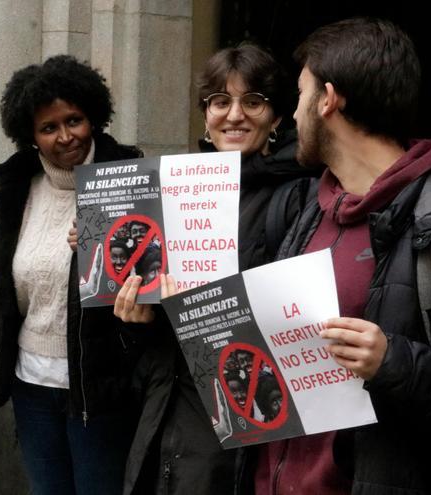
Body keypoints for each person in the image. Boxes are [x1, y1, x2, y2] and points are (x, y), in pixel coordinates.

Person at [246, 18, 431, 494]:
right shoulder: (310, 209)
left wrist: (391, 362)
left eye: (299, 95)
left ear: (329, 99)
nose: (292, 116)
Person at [0, 55, 144, 495]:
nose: (65, 136)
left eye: (75, 120)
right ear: (30, 135)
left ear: (94, 117)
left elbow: (153, 280)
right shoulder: (15, 192)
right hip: (31, 387)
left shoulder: (129, 181)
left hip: (101, 392)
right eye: (49, 128)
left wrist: (109, 254)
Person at [115, 42, 315, 495]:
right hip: (168, 404)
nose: (234, 115)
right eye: (220, 101)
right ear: (205, 115)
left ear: (278, 117)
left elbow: (296, 317)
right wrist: (139, 317)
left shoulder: (300, 196)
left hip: (244, 412)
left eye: (253, 101)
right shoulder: (173, 193)